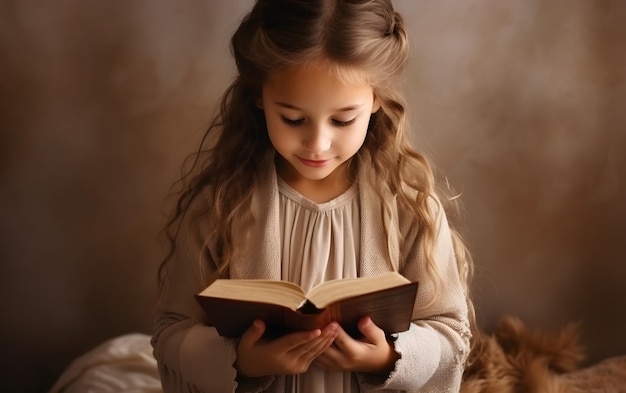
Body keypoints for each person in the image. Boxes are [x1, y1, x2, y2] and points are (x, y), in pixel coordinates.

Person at [151, 0, 475, 392]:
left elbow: (450, 333)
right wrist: (243, 361)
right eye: (292, 118)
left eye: (342, 119)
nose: (317, 143)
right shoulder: (220, 207)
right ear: (259, 96)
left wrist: (387, 358)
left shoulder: (411, 210)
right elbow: (171, 331)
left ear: (375, 99)